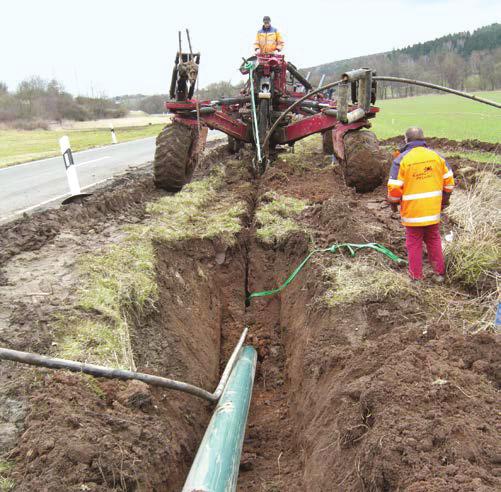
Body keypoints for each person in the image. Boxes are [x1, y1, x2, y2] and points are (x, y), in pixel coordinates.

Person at [387, 127, 455, 282]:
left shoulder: (401, 160)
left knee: (414, 242)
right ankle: (439, 274)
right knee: (433, 238)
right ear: (424, 139)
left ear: (406, 140)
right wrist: (444, 201)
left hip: (413, 212)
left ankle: (416, 277)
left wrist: (394, 205)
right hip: (432, 210)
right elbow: (449, 184)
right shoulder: (437, 157)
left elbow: (394, 191)